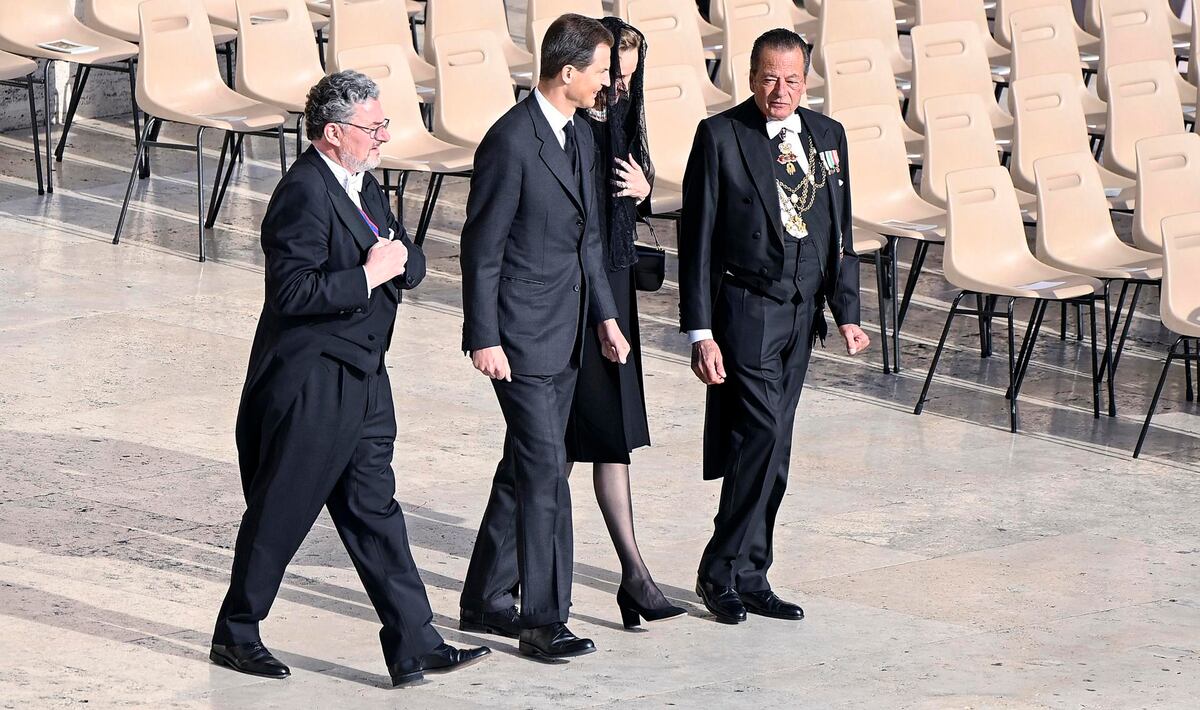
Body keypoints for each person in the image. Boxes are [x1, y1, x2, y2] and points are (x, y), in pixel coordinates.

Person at [210, 71, 489, 687]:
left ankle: (414, 641)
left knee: (374, 510)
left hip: (364, 377)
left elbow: (405, 260)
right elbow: (291, 291)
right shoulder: (303, 193)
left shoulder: (364, 183)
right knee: (281, 510)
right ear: (333, 134)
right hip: (314, 381)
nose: (385, 135)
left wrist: (396, 263)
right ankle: (237, 633)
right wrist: (369, 273)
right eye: (374, 127)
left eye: (384, 124)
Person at [678, 29, 871, 625]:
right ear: (750, 74)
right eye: (768, 78)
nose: (779, 90)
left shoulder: (827, 136)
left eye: (791, 79)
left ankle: (752, 572)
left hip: (801, 313)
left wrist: (848, 314)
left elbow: (839, 233)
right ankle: (719, 568)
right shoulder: (720, 135)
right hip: (746, 311)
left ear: (806, 79)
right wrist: (700, 332)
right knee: (759, 435)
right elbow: (698, 240)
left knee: (775, 449)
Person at [457, 14, 631, 662]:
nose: (608, 82)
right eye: (600, 71)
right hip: (519, 340)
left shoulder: (582, 138)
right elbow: (481, 248)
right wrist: (484, 336)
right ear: (567, 74)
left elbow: (587, 239)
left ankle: (484, 598)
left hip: (567, 333)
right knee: (547, 479)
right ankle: (542, 621)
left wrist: (607, 319)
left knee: (529, 467)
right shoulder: (509, 141)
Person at [566, 16, 686, 630]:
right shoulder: (575, 123)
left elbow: (628, 195)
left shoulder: (618, 116)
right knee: (558, 446)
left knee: (594, 437)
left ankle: (633, 575)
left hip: (614, 284)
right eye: (614, 73)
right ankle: (629, 577)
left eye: (631, 76)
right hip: (587, 295)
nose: (621, 85)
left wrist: (644, 190)